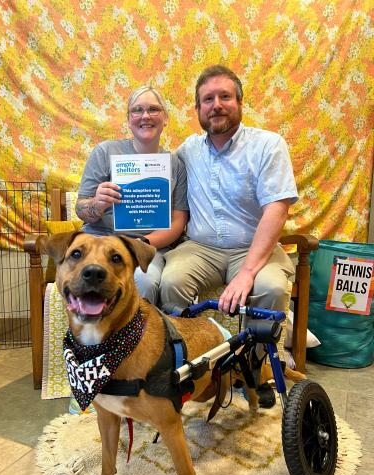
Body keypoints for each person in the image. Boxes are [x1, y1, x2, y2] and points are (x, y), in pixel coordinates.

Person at [159, 66, 297, 405]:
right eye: (208, 99)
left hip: (253, 247)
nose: (216, 105)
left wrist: (248, 272)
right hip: (200, 248)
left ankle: (256, 370)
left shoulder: (268, 145)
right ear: (197, 110)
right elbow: (151, 178)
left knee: (271, 288)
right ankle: (188, 368)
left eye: (225, 97)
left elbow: (277, 209)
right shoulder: (186, 151)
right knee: (171, 281)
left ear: (240, 103)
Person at [75, 86, 189, 305]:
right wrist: (97, 204)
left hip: (148, 247)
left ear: (165, 119)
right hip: (101, 241)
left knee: (144, 280)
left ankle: (144, 338)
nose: (145, 116)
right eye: (137, 110)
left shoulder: (175, 164)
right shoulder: (105, 152)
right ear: (129, 119)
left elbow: (177, 223)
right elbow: (82, 210)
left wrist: (138, 245)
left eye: (153, 110)